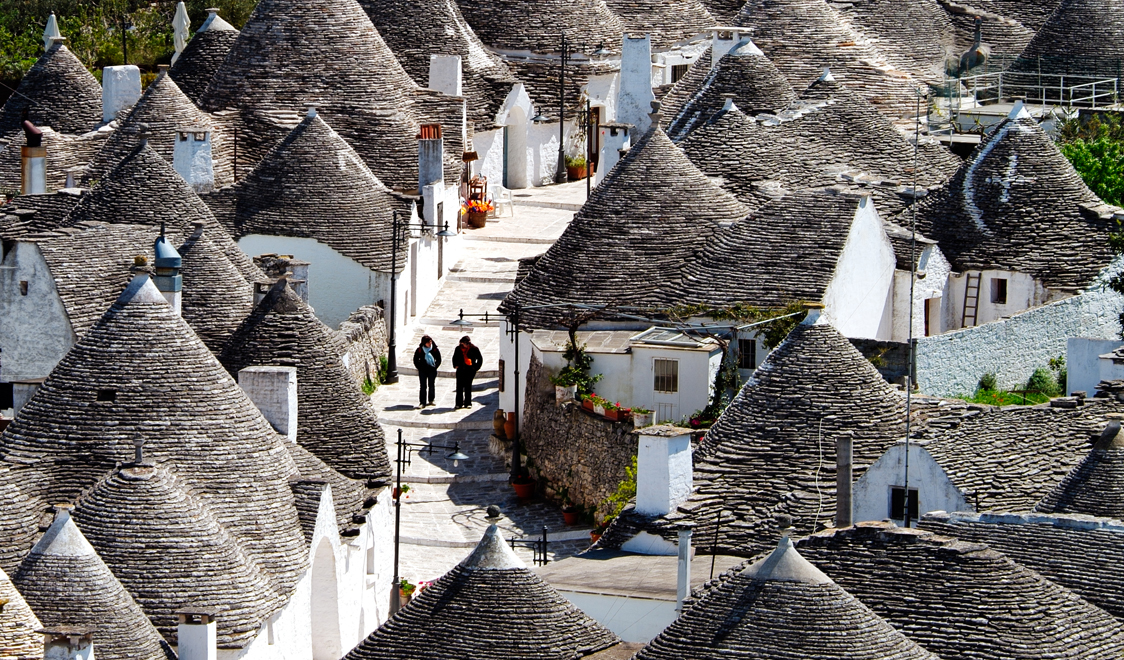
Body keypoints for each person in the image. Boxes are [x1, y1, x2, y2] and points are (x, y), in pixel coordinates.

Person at [453, 335, 483, 409]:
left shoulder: (474, 349)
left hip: (470, 370)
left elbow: (480, 359)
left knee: (468, 386)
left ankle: (468, 403)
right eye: (466, 343)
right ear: (462, 343)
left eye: (468, 343)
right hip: (460, 370)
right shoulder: (458, 349)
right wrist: (455, 365)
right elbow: (454, 357)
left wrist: (475, 368)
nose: (467, 345)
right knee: (459, 387)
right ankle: (459, 403)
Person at [412, 336, 441, 408]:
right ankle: (422, 402)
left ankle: (431, 400)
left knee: (431, 385)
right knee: (423, 386)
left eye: (430, 341)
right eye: (428, 342)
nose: (430, 343)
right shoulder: (419, 350)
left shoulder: (434, 349)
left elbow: (439, 359)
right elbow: (415, 360)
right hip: (423, 370)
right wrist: (420, 367)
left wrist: (435, 367)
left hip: (432, 370)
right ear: (424, 343)